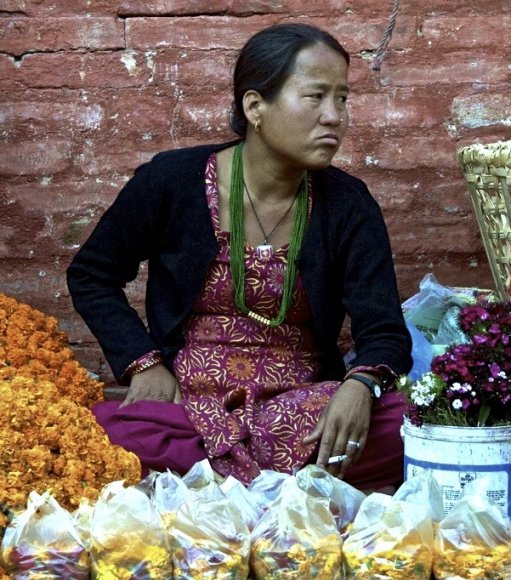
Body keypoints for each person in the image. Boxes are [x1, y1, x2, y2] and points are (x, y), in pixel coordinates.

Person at [67, 22, 412, 492]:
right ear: (255, 107)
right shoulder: (172, 181)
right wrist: (144, 363)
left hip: (304, 406)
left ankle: (217, 481)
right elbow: (92, 273)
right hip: (190, 406)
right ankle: (287, 484)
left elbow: (385, 330)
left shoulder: (348, 204)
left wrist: (361, 387)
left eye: (343, 99)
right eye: (315, 97)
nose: (335, 116)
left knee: (408, 427)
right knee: (102, 435)